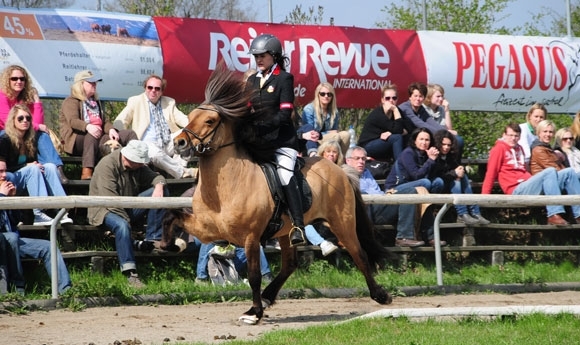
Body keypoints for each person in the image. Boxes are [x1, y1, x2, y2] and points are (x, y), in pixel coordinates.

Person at [245, 33, 306, 246]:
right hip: (258, 142)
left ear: (273, 55)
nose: (258, 60)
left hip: (282, 141)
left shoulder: (284, 79)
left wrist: (260, 126)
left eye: (262, 55)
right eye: (256, 56)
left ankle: (298, 225)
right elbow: (246, 110)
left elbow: (284, 114)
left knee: (284, 173)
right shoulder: (252, 80)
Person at [87, 140, 169, 287]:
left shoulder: (137, 167)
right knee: (122, 226)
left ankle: (152, 239)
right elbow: (110, 200)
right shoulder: (107, 165)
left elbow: (157, 177)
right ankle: (130, 272)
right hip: (103, 209)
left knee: (161, 192)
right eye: (140, 161)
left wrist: (159, 185)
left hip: (125, 208)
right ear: (129, 158)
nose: (142, 165)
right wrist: (128, 223)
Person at [482, 123, 580, 225]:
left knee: (569, 172)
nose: (513, 138)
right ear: (504, 135)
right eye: (510, 135)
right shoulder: (498, 149)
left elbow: (524, 170)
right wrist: (484, 198)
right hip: (515, 189)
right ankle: (553, 214)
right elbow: (491, 173)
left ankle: (578, 215)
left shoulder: (519, 148)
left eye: (516, 136)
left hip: (528, 184)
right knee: (550, 171)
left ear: (520, 137)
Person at [345, 146, 444, 247]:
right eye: (357, 158)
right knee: (411, 192)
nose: (361, 161)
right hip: (370, 210)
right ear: (348, 160)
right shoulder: (346, 175)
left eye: (363, 158)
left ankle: (431, 237)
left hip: (382, 202)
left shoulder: (366, 172)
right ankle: (404, 237)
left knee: (421, 191)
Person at [0, 158, 72, 295]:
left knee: (48, 247)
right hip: (4, 242)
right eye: (0, 172)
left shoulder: (5, 190)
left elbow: (14, 222)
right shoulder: (2, 192)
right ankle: (18, 290)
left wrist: (12, 200)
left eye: (5, 171)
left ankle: (65, 291)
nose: (4, 175)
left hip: (15, 242)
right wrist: (2, 196)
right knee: (11, 237)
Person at [0, 104, 73, 226]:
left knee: (49, 166)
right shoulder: (5, 139)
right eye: (20, 118)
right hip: (9, 177)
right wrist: (26, 166)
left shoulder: (31, 139)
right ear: (13, 120)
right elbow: (2, 168)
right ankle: (38, 213)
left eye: (28, 118)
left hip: (25, 176)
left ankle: (62, 210)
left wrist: (34, 166)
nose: (25, 121)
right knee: (33, 169)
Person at [113, 74, 196, 179]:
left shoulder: (169, 102)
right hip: (147, 143)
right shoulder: (136, 101)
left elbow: (181, 118)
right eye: (150, 87)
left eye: (157, 88)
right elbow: (123, 118)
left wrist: (196, 126)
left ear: (161, 91)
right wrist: (114, 130)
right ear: (145, 88)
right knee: (155, 153)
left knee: (190, 133)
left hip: (168, 141)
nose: (153, 90)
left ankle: (175, 170)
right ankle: (181, 172)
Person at [60, 70, 138, 180]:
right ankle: (87, 171)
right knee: (92, 134)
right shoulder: (71, 101)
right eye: (91, 82)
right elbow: (73, 121)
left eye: (95, 82)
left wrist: (111, 129)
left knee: (128, 134)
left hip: (97, 138)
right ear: (80, 84)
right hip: (76, 139)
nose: (95, 84)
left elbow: (104, 121)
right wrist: (88, 126)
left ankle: (134, 162)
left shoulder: (95, 102)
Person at [0, 65, 69, 184]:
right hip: (4, 135)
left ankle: (56, 169)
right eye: (14, 79)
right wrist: (37, 126)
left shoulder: (25, 98)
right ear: (7, 80)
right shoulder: (2, 96)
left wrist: (36, 100)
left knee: (41, 134)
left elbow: (38, 122)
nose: (19, 81)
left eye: (22, 79)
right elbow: (8, 121)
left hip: (24, 134)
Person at [433, 129, 490, 225]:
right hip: (438, 185)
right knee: (456, 181)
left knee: (463, 176)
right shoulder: (434, 155)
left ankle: (475, 213)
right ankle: (462, 214)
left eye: (448, 145)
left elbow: (455, 166)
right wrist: (455, 174)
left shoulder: (449, 155)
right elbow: (437, 175)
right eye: (443, 144)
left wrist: (460, 170)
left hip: (448, 182)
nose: (446, 147)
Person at [399, 82, 464, 158]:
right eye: (415, 96)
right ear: (410, 97)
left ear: (423, 98)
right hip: (405, 138)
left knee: (458, 140)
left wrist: (446, 133)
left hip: (419, 137)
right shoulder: (405, 108)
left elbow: (430, 121)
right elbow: (420, 123)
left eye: (421, 96)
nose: (418, 99)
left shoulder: (421, 109)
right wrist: (444, 133)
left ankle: (453, 165)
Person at [383, 127, 444, 193]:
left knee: (438, 181)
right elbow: (416, 176)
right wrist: (430, 160)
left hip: (413, 183)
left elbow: (431, 175)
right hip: (395, 187)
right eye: (421, 139)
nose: (424, 142)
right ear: (415, 141)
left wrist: (434, 160)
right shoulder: (408, 153)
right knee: (425, 182)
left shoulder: (426, 154)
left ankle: (432, 202)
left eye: (427, 140)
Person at [297, 82, 350, 157]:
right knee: (335, 136)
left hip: (327, 137)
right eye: (323, 94)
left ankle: (341, 162)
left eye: (329, 94)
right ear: (317, 95)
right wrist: (328, 132)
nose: (326, 96)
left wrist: (332, 133)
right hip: (313, 139)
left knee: (346, 135)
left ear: (332, 96)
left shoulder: (334, 111)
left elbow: (335, 130)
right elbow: (310, 131)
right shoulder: (309, 109)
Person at [357, 84, 405, 161]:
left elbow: (409, 128)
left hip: (382, 143)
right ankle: (400, 169)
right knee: (397, 138)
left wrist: (390, 132)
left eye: (394, 98)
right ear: (382, 100)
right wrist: (395, 110)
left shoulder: (398, 112)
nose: (391, 100)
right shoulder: (378, 114)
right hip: (367, 146)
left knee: (407, 138)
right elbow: (398, 131)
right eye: (387, 98)